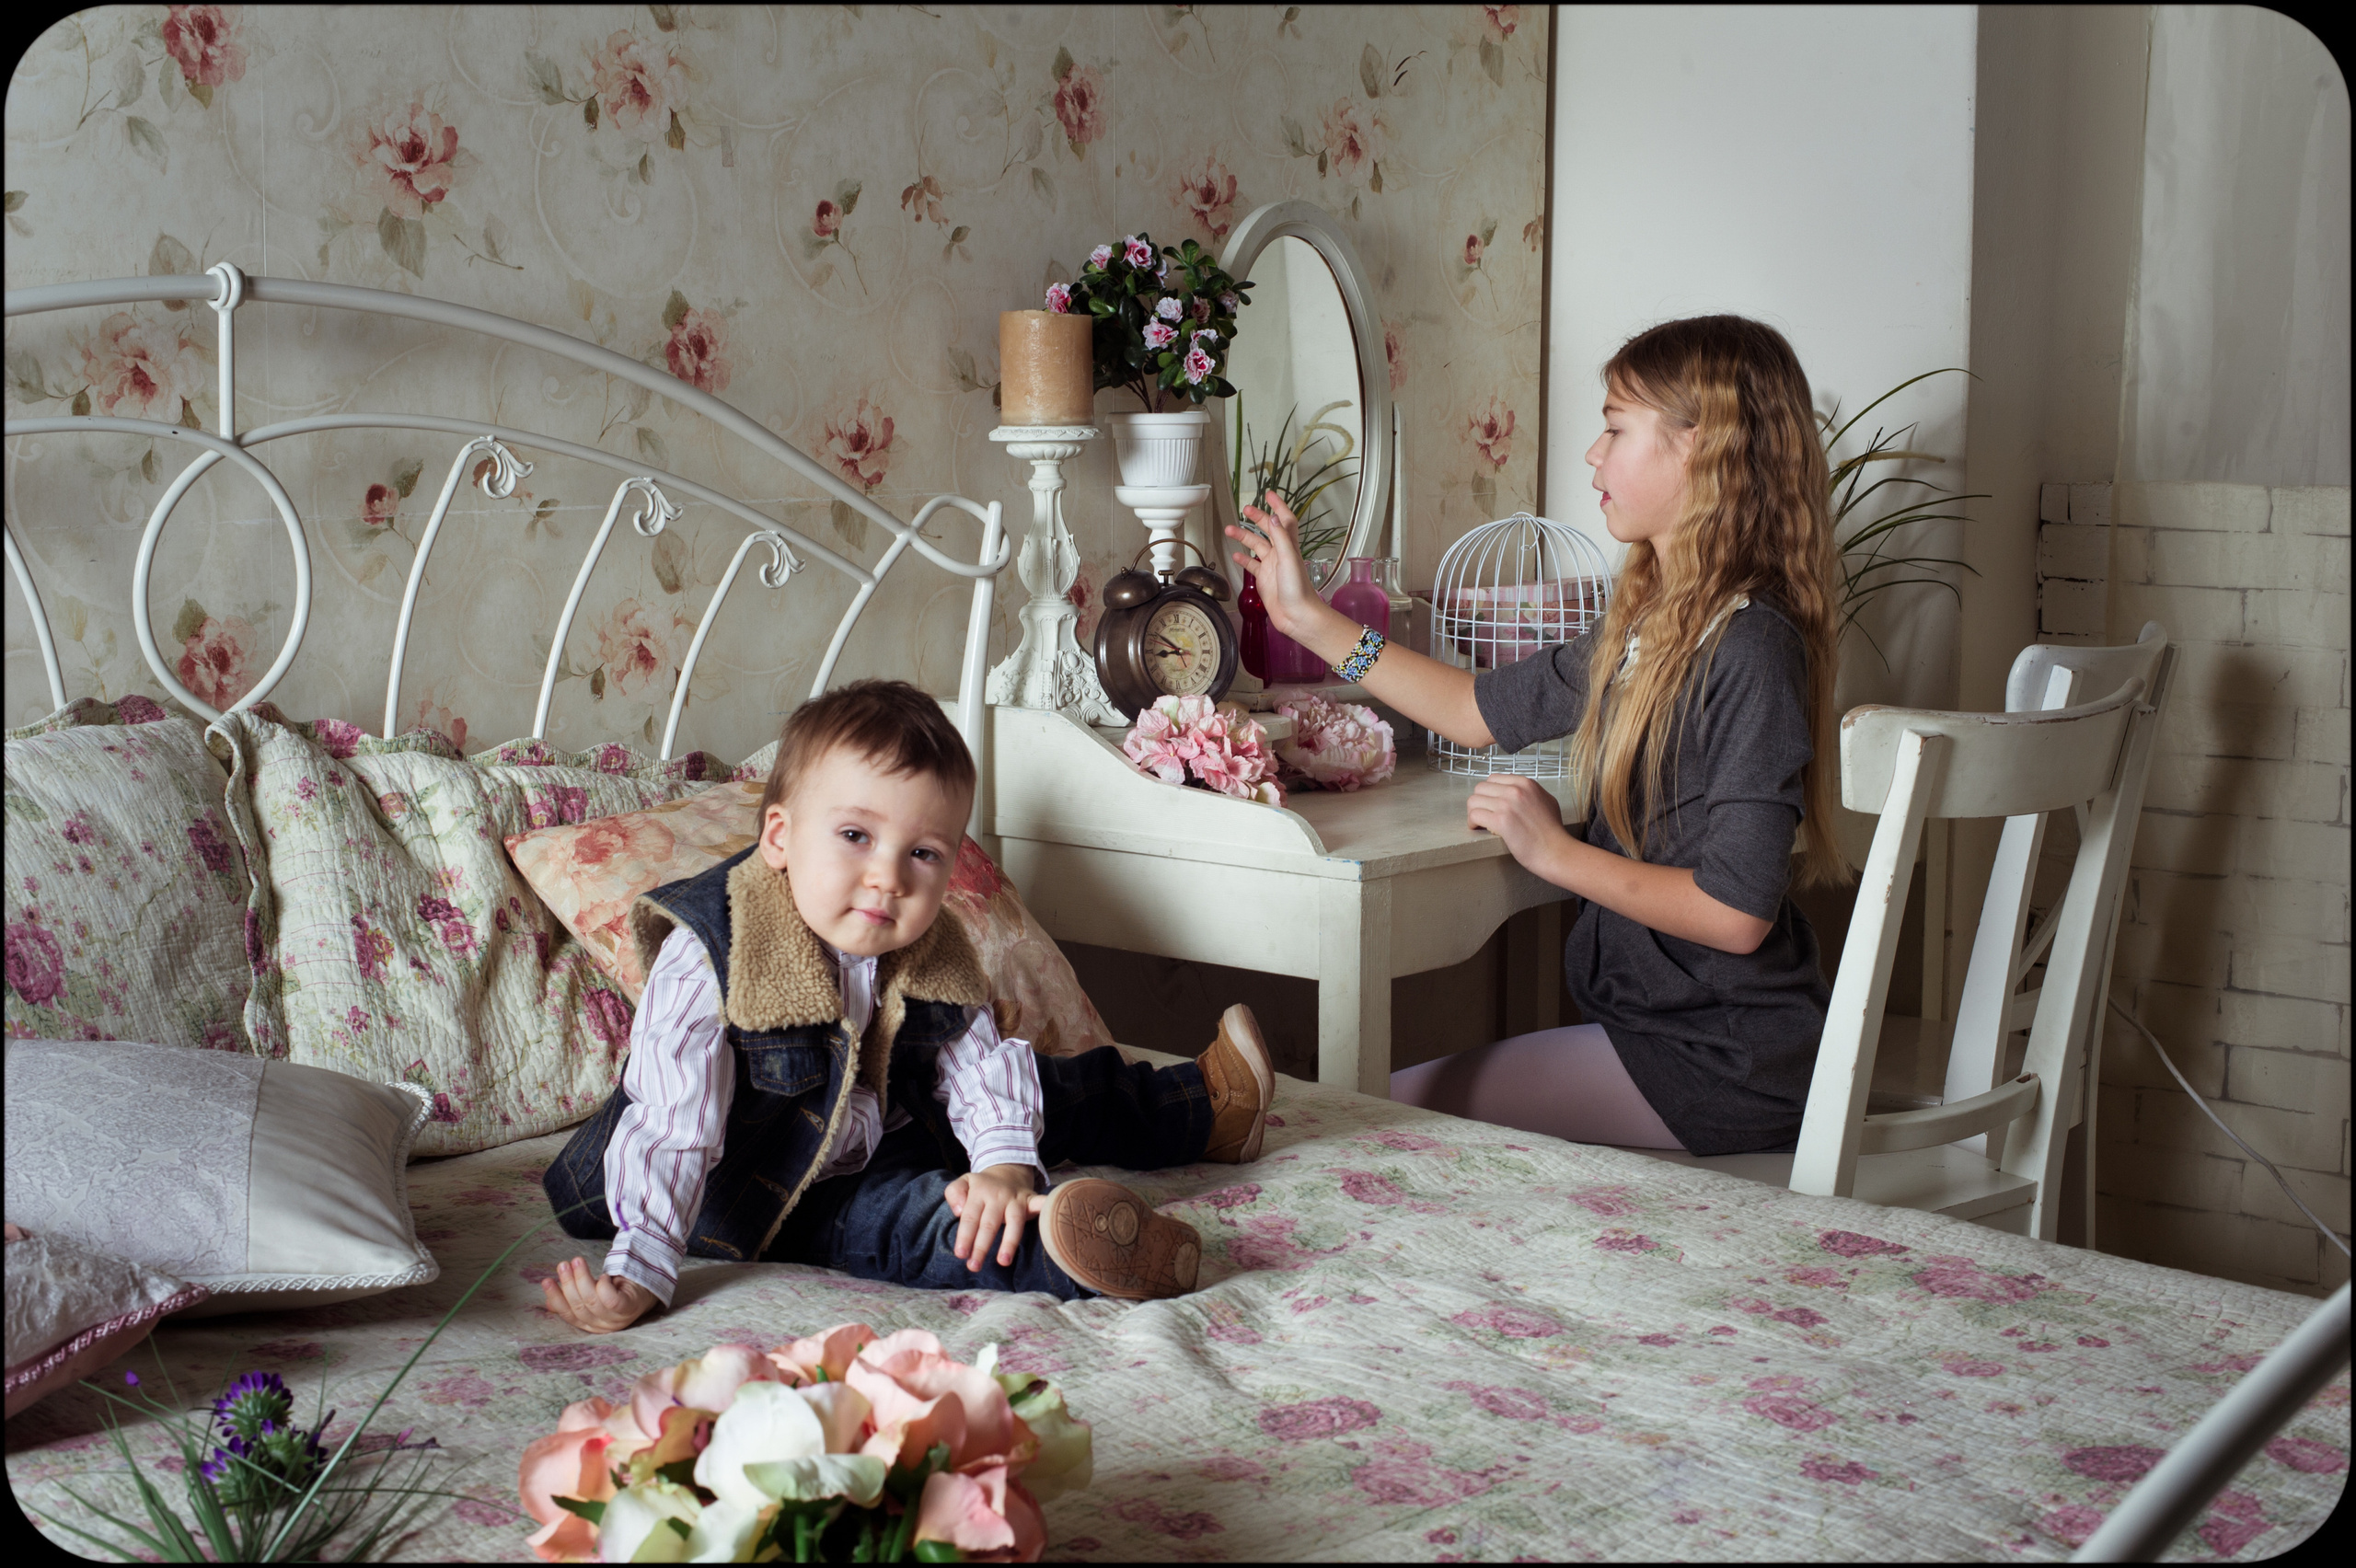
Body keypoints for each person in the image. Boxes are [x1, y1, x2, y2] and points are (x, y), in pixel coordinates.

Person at [1227, 315, 1847, 1157]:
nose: (1593, 454)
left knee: (1360, 1117)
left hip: (1723, 1060)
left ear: (1699, 448)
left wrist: (1554, 852)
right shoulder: (1657, 626)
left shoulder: (1750, 647)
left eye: (1615, 429)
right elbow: (1472, 711)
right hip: (1677, 1034)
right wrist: (1309, 619)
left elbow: (1735, 915)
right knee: (1361, 1105)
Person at [539, 679, 1276, 1332]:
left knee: (1051, 1085)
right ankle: (1073, 1252)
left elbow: (978, 1062)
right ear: (780, 838)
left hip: (886, 1119)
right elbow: (675, 1124)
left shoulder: (933, 944)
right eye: (855, 836)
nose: (889, 877)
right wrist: (641, 1268)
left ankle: (1204, 1110)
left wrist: (1004, 1165)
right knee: (907, 1222)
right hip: (766, 1182)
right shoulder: (715, 951)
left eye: (923, 853)